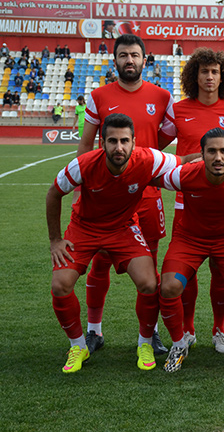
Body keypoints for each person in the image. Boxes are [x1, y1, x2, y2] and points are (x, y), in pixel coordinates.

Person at [46, 113, 182, 373]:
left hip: (123, 228)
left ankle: (144, 342)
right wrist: (55, 240)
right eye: (112, 141)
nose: (118, 147)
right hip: (84, 227)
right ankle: (78, 346)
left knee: (149, 283)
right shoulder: (83, 164)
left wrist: (223, 158)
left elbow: (183, 161)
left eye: (124, 141)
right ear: (102, 142)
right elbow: (53, 193)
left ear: (134, 142)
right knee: (60, 285)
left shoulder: (149, 158)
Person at [77, 34, 176, 356]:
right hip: (106, 195)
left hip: (146, 194)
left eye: (134, 55)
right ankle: (94, 330)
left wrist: (140, 168)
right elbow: (86, 146)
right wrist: (84, 189)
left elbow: (159, 144)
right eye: (123, 55)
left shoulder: (162, 97)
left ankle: (151, 333)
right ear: (115, 59)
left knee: (149, 266)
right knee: (101, 262)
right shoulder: (99, 96)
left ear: (144, 60)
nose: (129, 60)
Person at [158, 47, 224, 353]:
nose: (209, 77)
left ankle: (219, 329)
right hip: (188, 198)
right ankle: (187, 330)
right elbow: (156, 147)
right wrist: (182, 160)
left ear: (223, 76)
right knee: (187, 269)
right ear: (194, 75)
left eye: (215, 71)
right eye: (204, 71)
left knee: (221, 270)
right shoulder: (178, 109)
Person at [155, 128, 224, 372]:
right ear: (202, 154)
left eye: (223, 151)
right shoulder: (184, 174)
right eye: (212, 151)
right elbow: (152, 179)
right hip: (190, 238)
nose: (218, 157)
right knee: (169, 287)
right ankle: (178, 344)